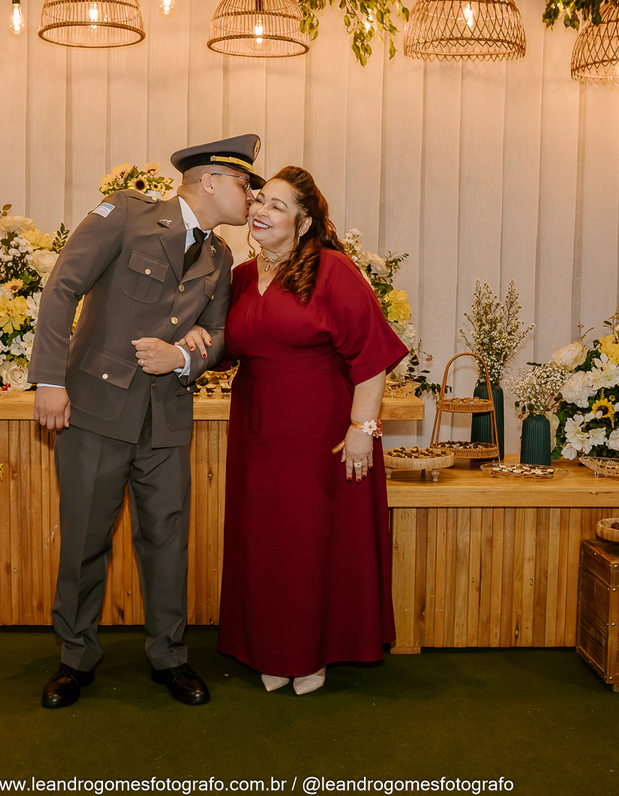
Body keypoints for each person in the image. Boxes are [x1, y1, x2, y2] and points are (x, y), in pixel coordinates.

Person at [28, 135, 263, 709]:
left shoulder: (220, 258)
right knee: (84, 539)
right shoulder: (128, 215)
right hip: (94, 409)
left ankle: (169, 657)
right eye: (245, 185)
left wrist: (183, 356)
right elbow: (63, 287)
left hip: (166, 417)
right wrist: (50, 380)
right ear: (210, 181)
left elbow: (219, 337)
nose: (252, 198)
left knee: (167, 540)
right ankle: (74, 657)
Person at [184, 166, 408, 695]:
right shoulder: (239, 277)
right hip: (257, 433)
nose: (260, 210)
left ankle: (311, 654)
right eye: (260, 200)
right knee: (264, 542)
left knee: (312, 542)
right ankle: (270, 648)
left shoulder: (333, 270)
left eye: (277, 206)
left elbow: (372, 356)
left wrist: (362, 428)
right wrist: (194, 331)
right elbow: (222, 344)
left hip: (321, 433)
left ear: (303, 223)